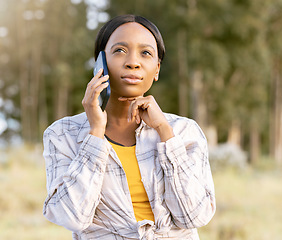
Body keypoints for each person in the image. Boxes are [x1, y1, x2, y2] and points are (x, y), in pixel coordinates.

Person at [42, 14, 216, 240]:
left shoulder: (184, 132)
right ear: (100, 65)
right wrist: (95, 134)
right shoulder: (62, 134)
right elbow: (71, 217)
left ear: (157, 70)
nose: (133, 62)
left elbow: (195, 217)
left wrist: (165, 132)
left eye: (146, 53)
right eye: (120, 51)